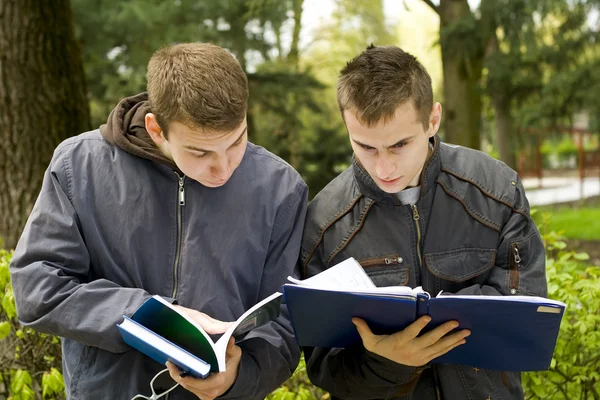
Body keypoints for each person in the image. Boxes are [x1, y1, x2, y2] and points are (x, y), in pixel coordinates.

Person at [9, 42, 308, 400]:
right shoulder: (78, 166)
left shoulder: (281, 187)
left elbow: (287, 320)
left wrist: (238, 377)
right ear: (156, 129)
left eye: (236, 142)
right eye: (200, 152)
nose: (224, 168)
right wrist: (147, 316)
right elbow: (36, 286)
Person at [300, 44, 547, 399]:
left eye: (400, 144)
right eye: (366, 146)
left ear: (433, 119)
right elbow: (323, 367)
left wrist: (430, 335)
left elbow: (527, 316)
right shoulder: (324, 223)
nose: (384, 168)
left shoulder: (497, 191)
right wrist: (388, 362)